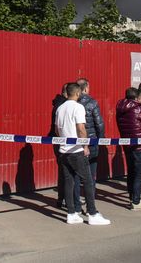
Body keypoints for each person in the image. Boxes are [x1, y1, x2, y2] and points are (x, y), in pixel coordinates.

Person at [54, 82, 111, 225]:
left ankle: (71, 213)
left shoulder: (60, 108)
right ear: (78, 93)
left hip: (64, 150)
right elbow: (81, 128)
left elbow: (56, 130)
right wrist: (85, 145)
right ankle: (92, 213)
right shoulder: (78, 107)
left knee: (69, 181)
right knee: (88, 180)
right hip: (76, 150)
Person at [115, 86, 141, 209]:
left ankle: (132, 197)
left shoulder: (120, 108)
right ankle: (136, 201)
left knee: (131, 172)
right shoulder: (137, 108)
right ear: (136, 97)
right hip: (139, 145)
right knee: (139, 173)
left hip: (127, 143)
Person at [72, 77, 105, 211]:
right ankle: (90, 205)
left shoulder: (72, 103)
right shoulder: (92, 103)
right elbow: (99, 124)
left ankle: (77, 206)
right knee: (90, 176)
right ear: (85, 88)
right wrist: (101, 139)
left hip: (76, 143)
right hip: (91, 142)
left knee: (76, 175)